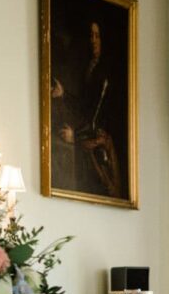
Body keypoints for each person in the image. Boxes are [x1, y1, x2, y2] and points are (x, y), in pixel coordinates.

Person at [49, 17, 125, 199]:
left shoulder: (107, 73)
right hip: (89, 141)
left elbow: (98, 116)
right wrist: (63, 94)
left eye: (97, 36)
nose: (93, 40)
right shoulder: (90, 67)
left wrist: (75, 137)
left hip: (100, 147)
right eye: (90, 35)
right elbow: (85, 106)